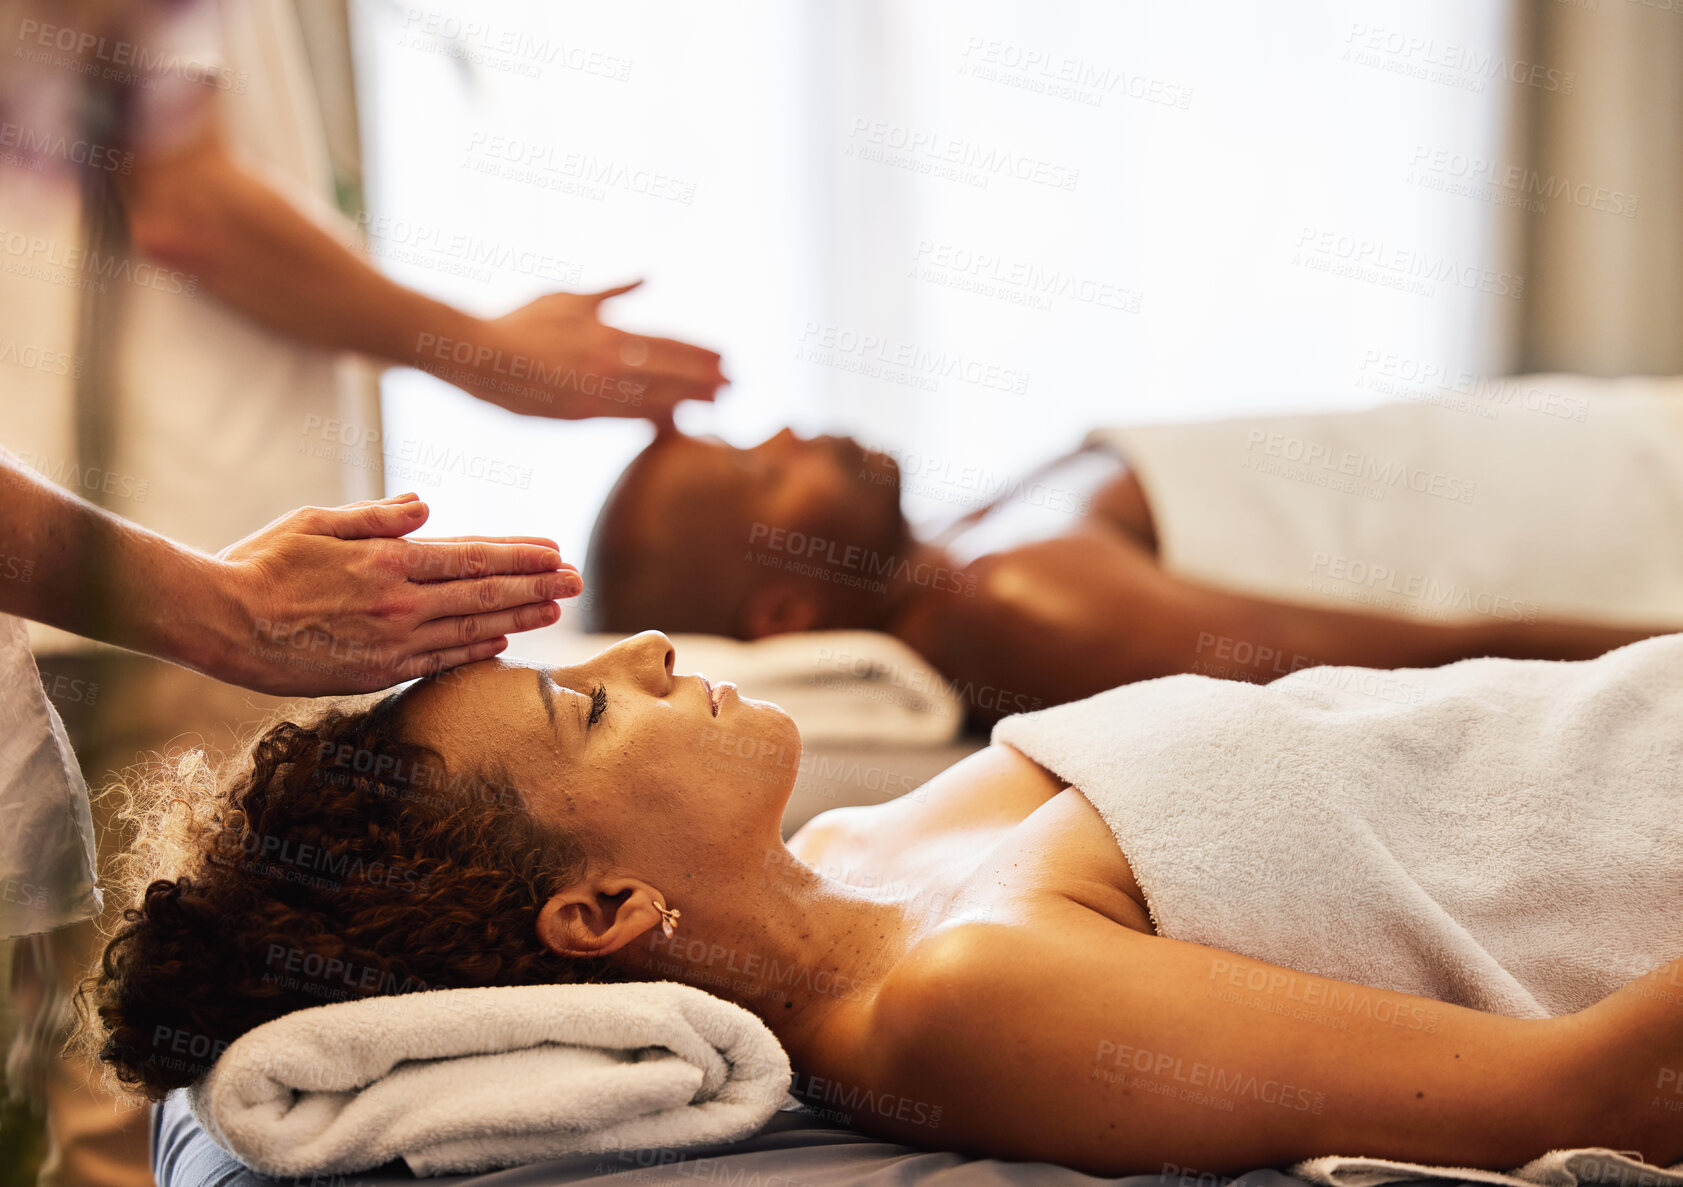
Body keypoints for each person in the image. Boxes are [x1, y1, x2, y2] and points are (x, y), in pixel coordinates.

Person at [80, 631, 1682, 1175]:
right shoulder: (964, 998)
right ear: (602, 907)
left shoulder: (857, 841)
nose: (641, 657)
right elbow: (1600, 1090)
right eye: (583, 709)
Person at [582, 393, 1683, 723]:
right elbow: (1452, 667)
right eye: (760, 475)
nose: (795, 433)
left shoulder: (970, 548)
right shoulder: (1012, 603)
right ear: (781, 615)